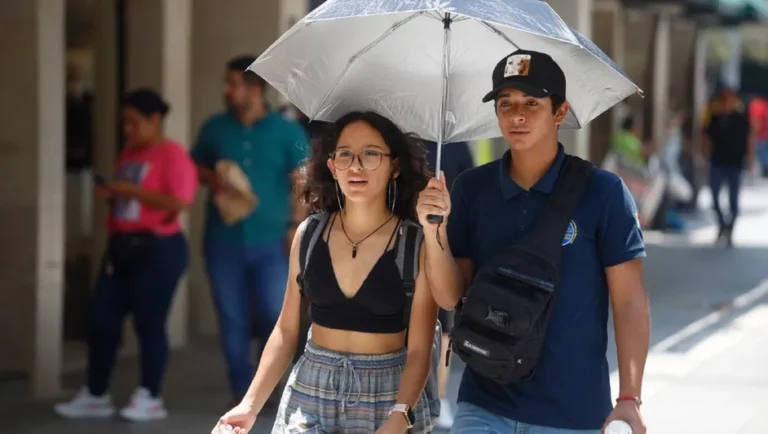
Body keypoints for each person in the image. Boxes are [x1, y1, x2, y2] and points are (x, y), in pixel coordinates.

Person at [417, 50, 650, 434]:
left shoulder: (603, 192)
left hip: (572, 414)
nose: (517, 115)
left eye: (531, 103)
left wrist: (629, 397)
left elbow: (630, 302)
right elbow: (449, 297)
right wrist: (433, 231)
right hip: (483, 404)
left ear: (560, 112)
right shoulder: (471, 188)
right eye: (505, 104)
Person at [212, 111, 438, 434]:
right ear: (332, 166)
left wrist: (400, 416)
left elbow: (419, 350)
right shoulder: (309, 234)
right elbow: (286, 331)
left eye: (371, 154)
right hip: (310, 389)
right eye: (345, 155)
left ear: (395, 166)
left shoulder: (415, 243)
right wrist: (249, 405)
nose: (356, 166)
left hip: (386, 394)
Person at [54, 88, 198, 421]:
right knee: (101, 320)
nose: (128, 130)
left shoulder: (172, 155)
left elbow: (181, 202)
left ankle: (150, 394)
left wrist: (131, 190)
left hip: (157, 248)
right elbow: (129, 198)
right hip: (121, 246)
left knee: (149, 324)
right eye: (125, 124)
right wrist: (113, 194)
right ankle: (95, 391)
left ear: (155, 120)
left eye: (135, 123)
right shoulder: (129, 154)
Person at [191, 55, 310, 404]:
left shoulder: (288, 132)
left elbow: (301, 183)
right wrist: (215, 178)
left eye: (233, 83)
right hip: (222, 240)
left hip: (274, 242)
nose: (226, 91)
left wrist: (294, 227)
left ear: (256, 89)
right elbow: (194, 166)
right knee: (231, 318)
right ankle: (242, 390)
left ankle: (267, 385)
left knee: (276, 311)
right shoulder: (214, 127)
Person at [422, 139, 474, 428]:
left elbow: (471, 190)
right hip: (406, 240)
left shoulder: (454, 146)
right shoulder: (400, 139)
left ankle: (439, 396)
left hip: (446, 242)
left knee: (444, 325)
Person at [703, 87, 756, 247]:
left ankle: (730, 229)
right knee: (714, 196)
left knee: (733, 199)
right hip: (717, 161)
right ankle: (722, 224)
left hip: (735, 162)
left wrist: (750, 158)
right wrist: (705, 158)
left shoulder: (741, 118)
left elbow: (749, 138)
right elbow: (707, 138)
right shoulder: (715, 117)